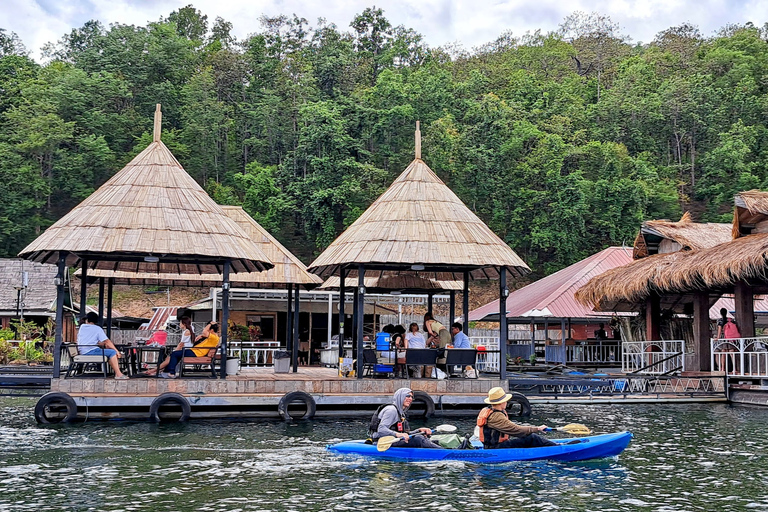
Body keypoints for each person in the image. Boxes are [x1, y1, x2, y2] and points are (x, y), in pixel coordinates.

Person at [476, 387, 557, 449]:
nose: (506, 402)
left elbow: (510, 428)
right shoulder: (496, 416)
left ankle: (553, 446)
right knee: (531, 438)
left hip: (491, 446)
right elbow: (516, 430)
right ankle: (557, 448)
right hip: (496, 448)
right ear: (501, 402)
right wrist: (537, 429)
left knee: (525, 437)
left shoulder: (489, 410)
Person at [369, 388, 441, 448]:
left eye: (411, 397)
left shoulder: (401, 413)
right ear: (400, 396)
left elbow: (404, 434)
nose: (410, 399)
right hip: (383, 441)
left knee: (424, 437)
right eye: (407, 396)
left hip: (395, 440)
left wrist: (419, 431)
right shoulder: (391, 410)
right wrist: (398, 435)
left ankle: (443, 449)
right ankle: (443, 452)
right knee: (419, 439)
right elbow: (381, 429)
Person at [148, 320, 220, 378]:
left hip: (196, 352)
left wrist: (210, 323)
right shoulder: (213, 337)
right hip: (195, 351)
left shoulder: (214, 337)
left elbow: (204, 331)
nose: (207, 330)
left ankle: (171, 372)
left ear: (212, 330)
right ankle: (167, 372)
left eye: (208, 329)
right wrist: (201, 335)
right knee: (176, 355)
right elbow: (204, 333)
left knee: (174, 354)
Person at [77, 311, 128, 380]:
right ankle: (118, 374)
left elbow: (89, 339)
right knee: (112, 352)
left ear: (87, 320)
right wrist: (116, 351)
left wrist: (103, 344)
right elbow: (107, 341)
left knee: (110, 353)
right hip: (91, 351)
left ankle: (117, 372)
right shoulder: (97, 328)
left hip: (83, 350)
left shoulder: (82, 327)